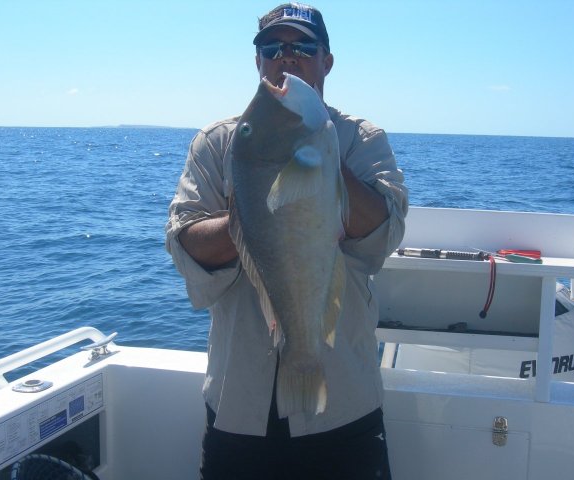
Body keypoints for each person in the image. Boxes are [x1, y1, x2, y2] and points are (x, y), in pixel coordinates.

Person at [165, 3, 408, 479]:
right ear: (258, 62)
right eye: (272, 48)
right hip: (239, 406)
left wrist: (323, 161)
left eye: (302, 48)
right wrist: (257, 207)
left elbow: (385, 232)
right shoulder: (220, 143)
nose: (286, 58)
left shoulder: (361, 139)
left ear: (326, 62)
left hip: (343, 405)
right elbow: (185, 242)